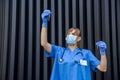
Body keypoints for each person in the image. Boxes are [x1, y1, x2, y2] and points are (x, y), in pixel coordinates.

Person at [41, 10, 107, 80]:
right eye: (68, 34)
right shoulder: (59, 51)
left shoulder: (86, 54)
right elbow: (44, 43)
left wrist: (102, 53)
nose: (70, 36)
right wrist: (44, 23)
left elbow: (103, 68)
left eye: (73, 34)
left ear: (78, 38)